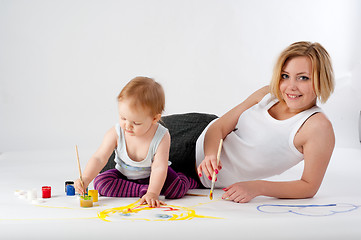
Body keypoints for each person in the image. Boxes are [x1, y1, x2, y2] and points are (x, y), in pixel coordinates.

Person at [161, 41, 335, 203]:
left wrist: (258, 187)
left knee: (139, 175)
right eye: (285, 76)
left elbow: (309, 185)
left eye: (303, 78)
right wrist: (211, 154)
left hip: (196, 178)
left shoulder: (317, 127)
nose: (291, 86)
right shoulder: (268, 95)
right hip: (194, 133)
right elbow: (220, 126)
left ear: (321, 80)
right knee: (136, 130)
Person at [74, 77, 198, 207]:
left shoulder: (162, 135)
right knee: (100, 183)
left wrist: (153, 192)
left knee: (177, 190)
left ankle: (185, 179)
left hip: (155, 175)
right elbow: (99, 158)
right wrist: (86, 178)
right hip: (124, 175)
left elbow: (159, 167)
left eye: (136, 123)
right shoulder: (116, 133)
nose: (127, 126)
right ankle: (142, 191)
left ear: (154, 118)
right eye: (123, 118)